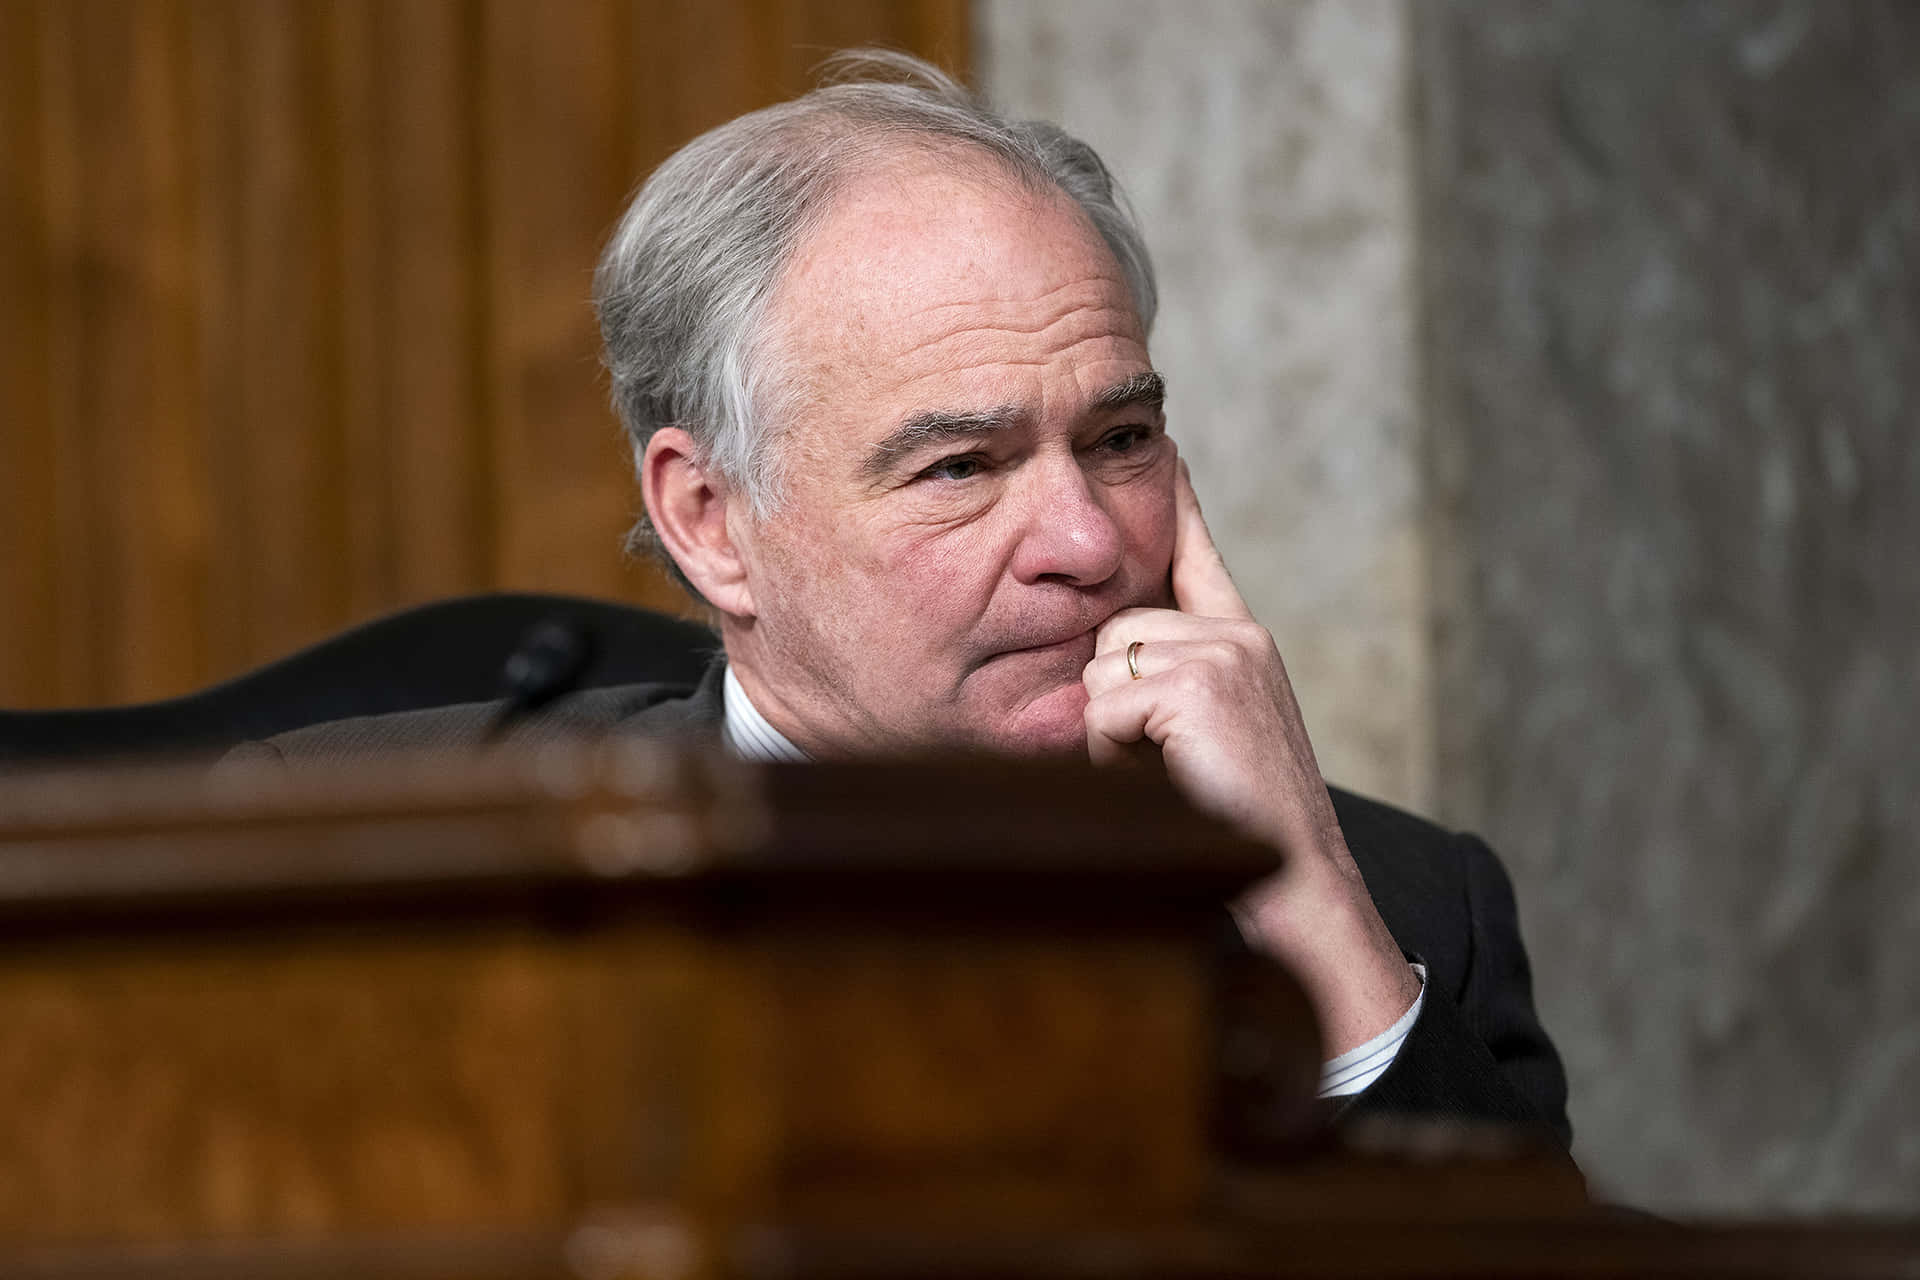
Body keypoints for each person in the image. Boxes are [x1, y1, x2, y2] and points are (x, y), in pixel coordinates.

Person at [240, 51, 1570, 1150]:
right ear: (711, 521)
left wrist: (1313, 919)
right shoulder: (353, 864)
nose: (1085, 541)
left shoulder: (1402, 908)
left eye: (1119, 440)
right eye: (962, 466)